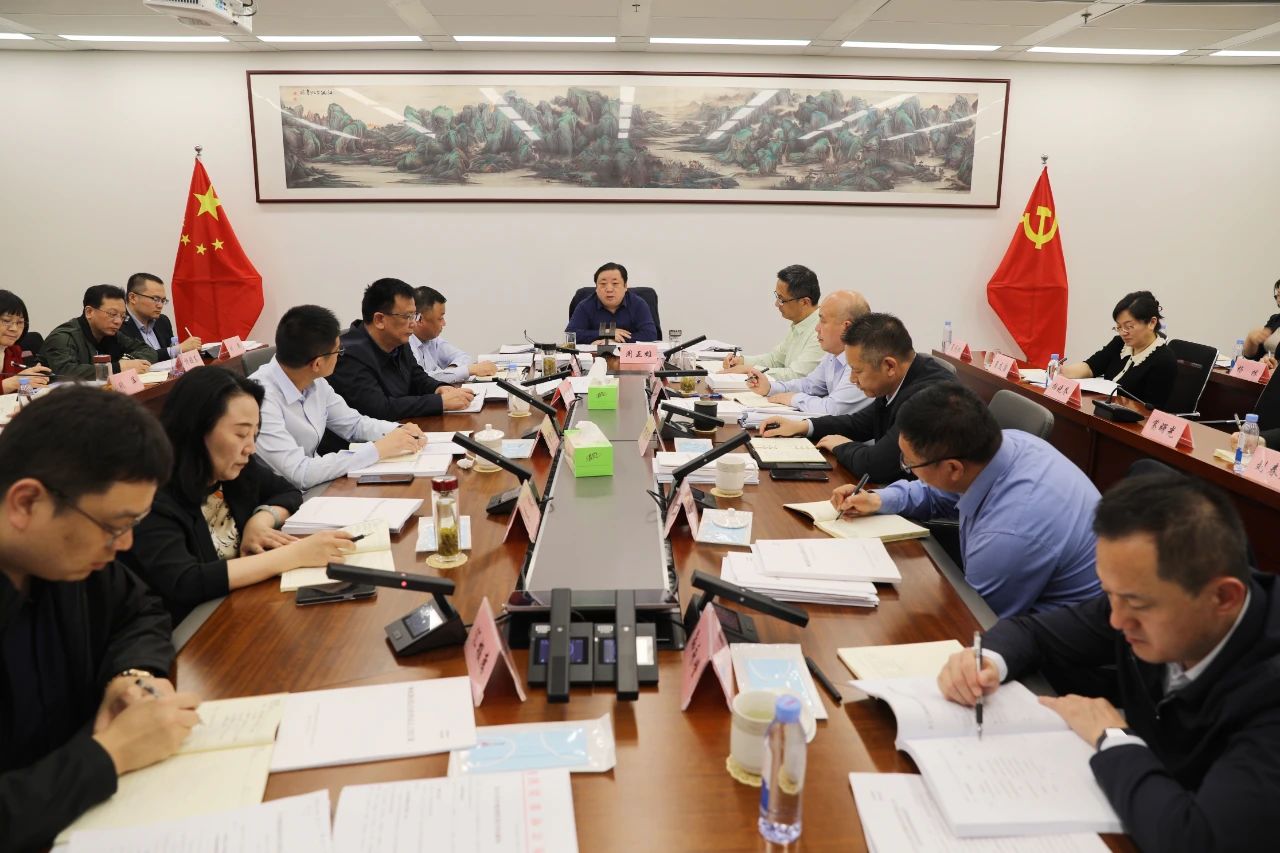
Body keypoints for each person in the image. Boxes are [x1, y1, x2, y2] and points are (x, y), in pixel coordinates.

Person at [937, 476, 1280, 853]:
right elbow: (1033, 633)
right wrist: (985, 661)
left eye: (1136, 604)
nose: (1116, 620)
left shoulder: (1268, 692)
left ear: (1224, 597)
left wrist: (1113, 738)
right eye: (1110, 595)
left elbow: (1197, 841)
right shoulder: (1142, 599)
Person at [0, 386, 203, 851]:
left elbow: (142, 612)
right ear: (26, 503)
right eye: (115, 526)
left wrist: (129, 676)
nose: (124, 545)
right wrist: (108, 755)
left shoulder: (72, 558)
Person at [832, 383, 1101, 617]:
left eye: (910, 463)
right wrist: (878, 500)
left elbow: (975, 622)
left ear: (953, 468)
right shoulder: (1010, 444)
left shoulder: (1009, 532)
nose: (907, 468)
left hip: (1065, 647)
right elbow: (938, 491)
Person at [123, 367, 354, 623]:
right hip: (196, 629)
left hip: (243, 608)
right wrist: (293, 556)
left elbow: (286, 491)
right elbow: (185, 581)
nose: (251, 448)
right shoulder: (150, 496)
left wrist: (261, 520)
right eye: (241, 434)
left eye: (254, 434)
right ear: (196, 428)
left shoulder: (233, 469)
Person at [759, 313, 955, 483]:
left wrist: (841, 446)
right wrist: (804, 426)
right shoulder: (899, 379)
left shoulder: (928, 400)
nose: (852, 379)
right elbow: (860, 423)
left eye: (857, 371)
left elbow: (876, 465)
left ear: (889, 366)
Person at [249, 305, 426, 490]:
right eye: (338, 351)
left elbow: (354, 425)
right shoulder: (259, 400)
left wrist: (399, 431)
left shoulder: (314, 381)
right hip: (285, 496)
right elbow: (300, 473)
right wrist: (377, 450)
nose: (341, 355)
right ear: (317, 364)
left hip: (319, 484)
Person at [328, 278, 475, 420]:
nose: (413, 323)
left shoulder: (398, 341)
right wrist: (439, 402)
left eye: (414, 315)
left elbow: (417, 376)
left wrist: (439, 388)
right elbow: (379, 409)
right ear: (379, 320)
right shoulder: (349, 355)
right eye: (407, 316)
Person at [742, 290, 872, 416]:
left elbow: (833, 409)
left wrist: (793, 398)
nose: (817, 328)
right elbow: (809, 385)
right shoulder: (833, 355)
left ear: (846, 327)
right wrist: (770, 387)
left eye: (823, 321)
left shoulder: (863, 361)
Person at [1059, 290, 1177, 410]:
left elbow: (1151, 409)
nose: (1123, 333)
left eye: (1129, 326)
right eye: (1119, 327)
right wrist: (1061, 372)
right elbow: (1090, 367)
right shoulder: (1120, 343)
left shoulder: (1164, 360)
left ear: (1152, 322)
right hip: (1103, 410)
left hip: (1130, 419)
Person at [720, 264, 824, 381]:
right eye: (777, 297)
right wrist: (741, 361)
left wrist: (749, 369)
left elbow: (797, 376)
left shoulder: (821, 331)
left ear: (804, 302)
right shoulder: (800, 323)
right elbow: (775, 360)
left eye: (782, 299)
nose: (776, 304)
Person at [39, 285, 154, 380]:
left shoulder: (111, 333)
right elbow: (66, 372)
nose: (118, 321)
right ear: (89, 312)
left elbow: (148, 351)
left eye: (123, 316)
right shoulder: (63, 337)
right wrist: (117, 367)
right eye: (112, 314)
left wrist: (127, 361)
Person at [408, 286, 497, 383]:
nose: (444, 323)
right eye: (440, 318)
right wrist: (469, 370)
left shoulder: (432, 339)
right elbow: (422, 379)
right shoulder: (406, 345)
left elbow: (463, 356)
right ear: (420, 319)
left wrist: (451, 372)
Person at [565, 262, 658, 344]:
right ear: (596, 288)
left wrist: (613, 341)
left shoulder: (638, 304)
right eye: (603, 284)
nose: (609, 289)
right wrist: (607, 333)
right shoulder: (585, 306)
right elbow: (570, 336)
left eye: (615, 283)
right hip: (595, 357)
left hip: (629, 356)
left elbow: (650, 334)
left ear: (625, 286)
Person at [121, 272, 202, 361]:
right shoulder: (118, 325)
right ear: (133, 298)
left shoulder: (162, 321)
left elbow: (172, 359)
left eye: (163, 300)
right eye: (155, 299)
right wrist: (177, 349)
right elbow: (133, 358)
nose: (160, 305)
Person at [0, 290, 50, 393]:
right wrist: (11, 383)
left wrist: (35, 385)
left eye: (20, 322)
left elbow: (20, 392)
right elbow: (14, 384)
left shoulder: (13, 350)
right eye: (6, 321)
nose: (14, 328)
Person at [1242, 278, 1280, 364]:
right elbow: (1250, 356)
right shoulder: (1275, 319)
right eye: (1278, 295)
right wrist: (1251, 339)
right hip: (1262, 369)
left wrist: (1275, 367)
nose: (1279, 299)